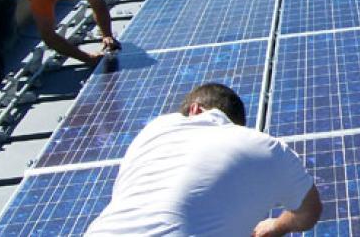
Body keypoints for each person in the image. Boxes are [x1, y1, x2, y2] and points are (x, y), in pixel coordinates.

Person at [86, 83, 322, 236]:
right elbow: (309, 212)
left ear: (195, 110)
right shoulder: (268, 147)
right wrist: (275, 226)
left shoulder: (152, 131)